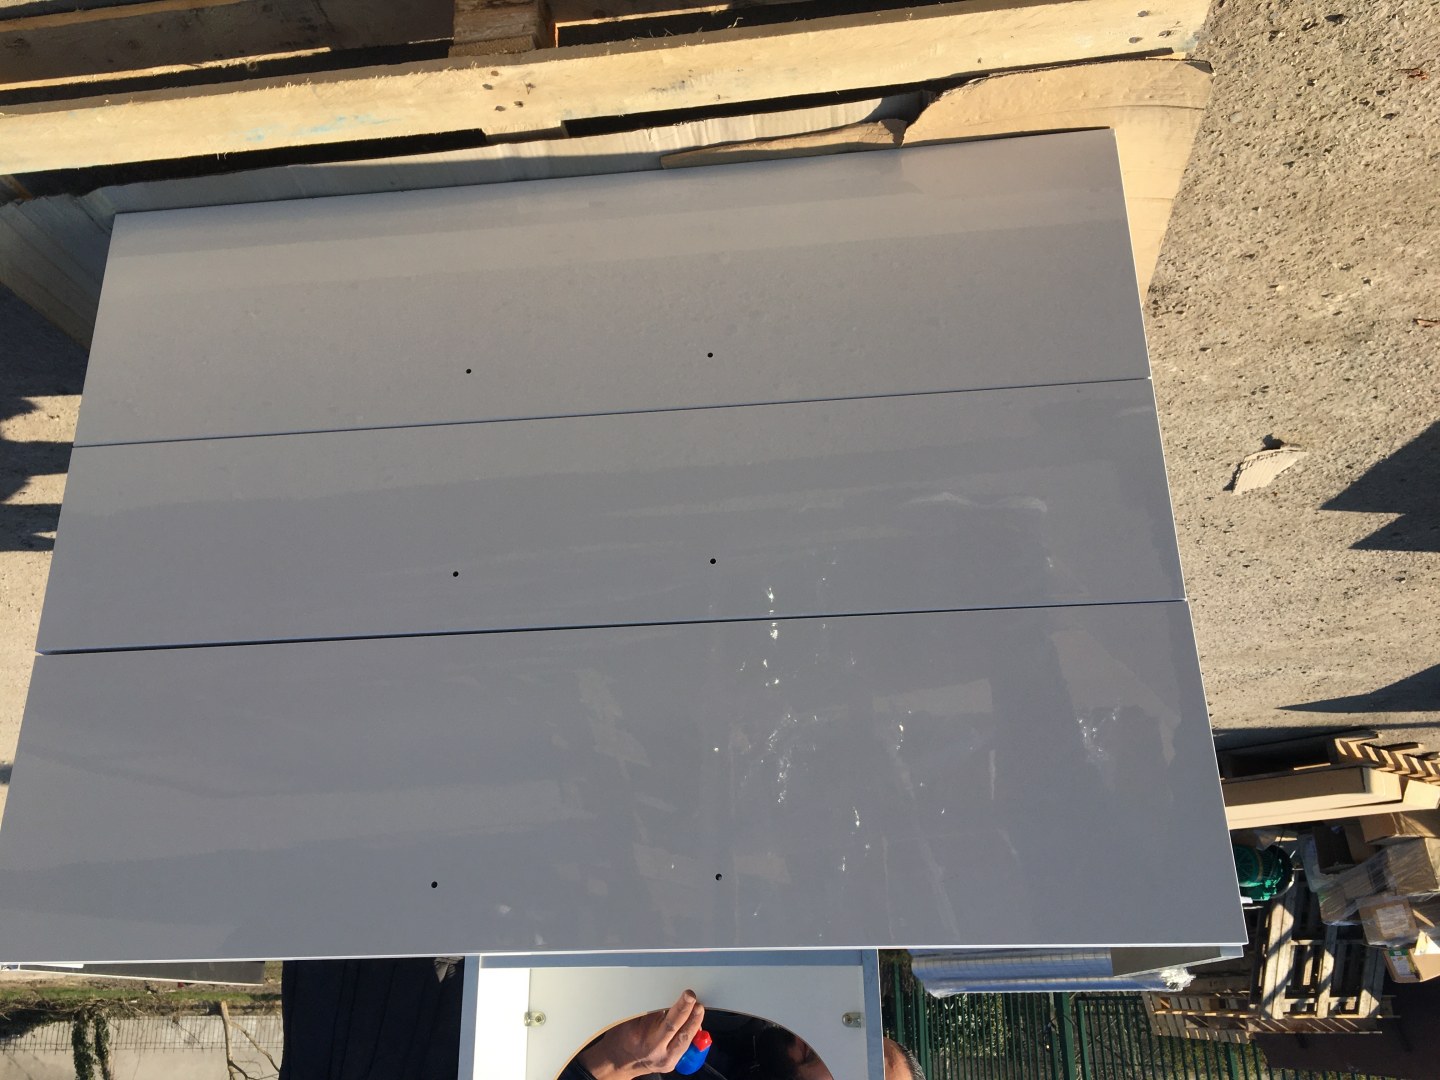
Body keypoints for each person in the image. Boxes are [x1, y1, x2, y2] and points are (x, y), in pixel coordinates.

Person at [561, 990, 924, 1080]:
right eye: (861, 1040)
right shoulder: (743, 1015)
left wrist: (616, 1061)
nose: (838, 1043)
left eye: (857, 1067)